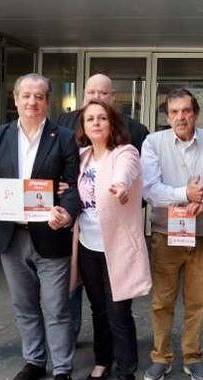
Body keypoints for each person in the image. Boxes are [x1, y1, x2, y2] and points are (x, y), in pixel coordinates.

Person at [0, 73, 81, 380]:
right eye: (26, 96)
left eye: (39, 96)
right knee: (23, 305)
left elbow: (75, 186)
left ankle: (62, 370)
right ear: (16, 100)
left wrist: (66, 211)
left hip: (50, 235)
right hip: (11, 234)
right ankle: (34, 360)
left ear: (48, 102)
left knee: (56, 307)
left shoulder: (63, 137)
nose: (32, 102)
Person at [141, 88, 203, 380]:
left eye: (186, 111)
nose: (181, 117)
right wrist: (183, 195)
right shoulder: (153, 142)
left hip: (201, 232)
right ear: (167, 116)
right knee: (162, 301)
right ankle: (160, 358)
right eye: (174, 112)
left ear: (196, 114)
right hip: (166, 233)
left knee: (198, 301)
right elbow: (149, 188)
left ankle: (193, 357)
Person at [56, 73, 150, 342]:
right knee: (82, 296)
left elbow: (130, 170)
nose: (95, 98)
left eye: (102, 94)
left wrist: (122, 193)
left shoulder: (133, 136)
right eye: (90, 92)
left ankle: (124, 369)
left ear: (113, 100)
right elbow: (64, 171)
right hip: (80, 232)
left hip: (116, 233)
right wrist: (61, 190)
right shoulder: (69, 130)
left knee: (117, 308)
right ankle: (82, 346)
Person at [70, 99, 151, 380]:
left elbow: (126, 173)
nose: (95, 123)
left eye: (102, 117)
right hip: (89, 246)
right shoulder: (82, 157)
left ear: (112, 122)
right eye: (89, 118)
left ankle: (127, 375)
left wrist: (120, 186)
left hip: (117, 248)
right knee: (98, 309)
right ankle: (103, 360)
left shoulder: (125, 153)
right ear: (84, 126)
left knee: (119, 313)